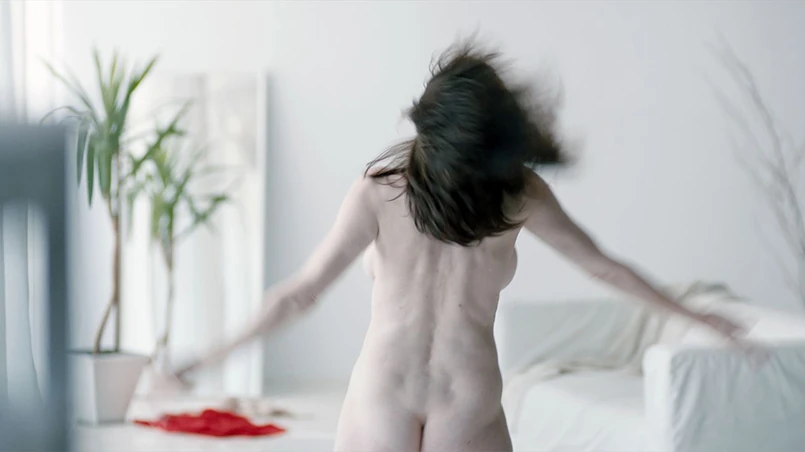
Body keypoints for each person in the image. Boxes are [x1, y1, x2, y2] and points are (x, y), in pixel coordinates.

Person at [176, 42, 750, 452]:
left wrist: (209, 356)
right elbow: (603, 269)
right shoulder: (519, 195)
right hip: (466, 398)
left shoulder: (378, 191)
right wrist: (692, 313)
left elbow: (301, 293)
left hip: (383, 393)